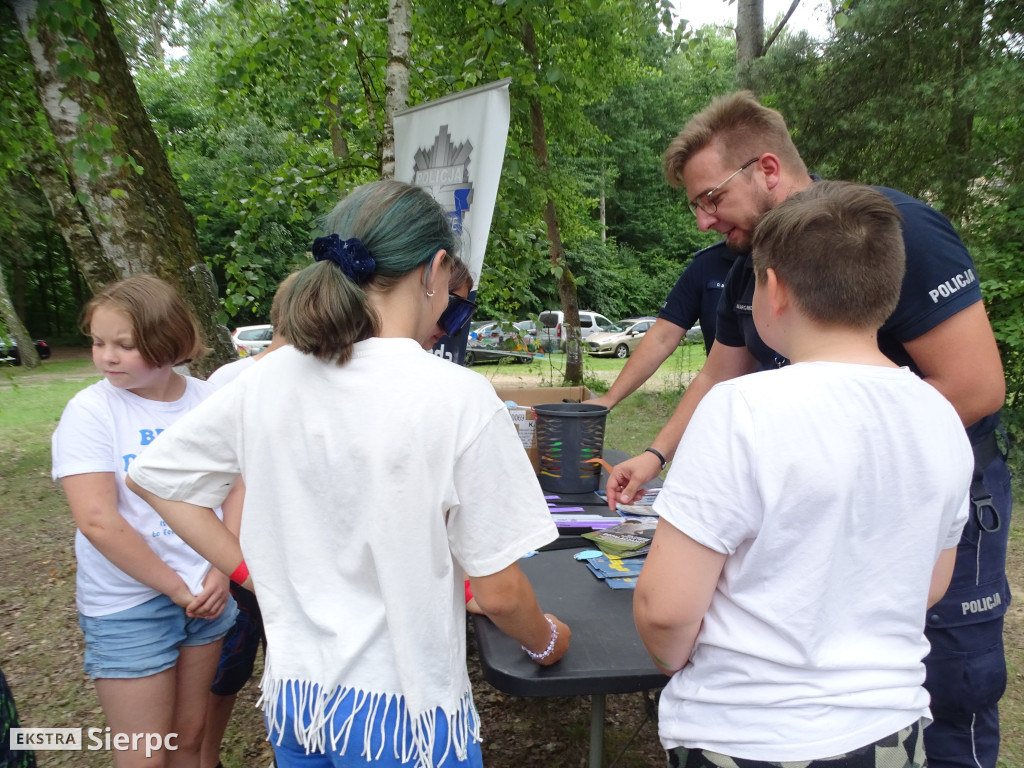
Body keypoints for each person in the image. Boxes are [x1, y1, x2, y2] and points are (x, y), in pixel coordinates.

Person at [609, 91, 1011, 768]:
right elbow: (718, 375)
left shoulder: (894, 231)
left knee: (951, 688)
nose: (706, 220)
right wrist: (654, 453)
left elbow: (973, 386)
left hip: (918, 500)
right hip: (822, 501)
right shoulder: (749, 260)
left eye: (711, 198)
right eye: (695, 206)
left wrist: (826, 451)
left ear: (766, 169)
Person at [124, 179, 571, 768]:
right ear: (435, 270)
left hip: (299, 702)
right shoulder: (457, 396)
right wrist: (546, 640)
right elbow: (499, 590)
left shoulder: (269, 377)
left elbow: (154, 478)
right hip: (406, 716)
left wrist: (248, 571)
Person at [50, 274, 237, 768]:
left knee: (190, 743)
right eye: (97, 342)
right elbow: (97, 520)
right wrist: (177, 588)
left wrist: (222, 572)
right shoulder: (91, 411)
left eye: (124, 345)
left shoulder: (209, 401)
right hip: (130, 604)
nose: (106, 356)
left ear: (169, 342)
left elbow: (239, 488)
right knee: (146, 754)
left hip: (208, 594)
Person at [200, 272, 298, 768]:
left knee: (284, 659)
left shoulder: (319, 378)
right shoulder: (230, 380)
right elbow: (207, 478)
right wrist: (226, 565)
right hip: (236, 555)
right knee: (225, 671)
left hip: (290, 553)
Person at [590, 245, 734, 410]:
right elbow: (663, 337)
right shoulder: (708, 262)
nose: (704, 225)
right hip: (725, 406)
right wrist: (609, 399)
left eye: (713, 216)